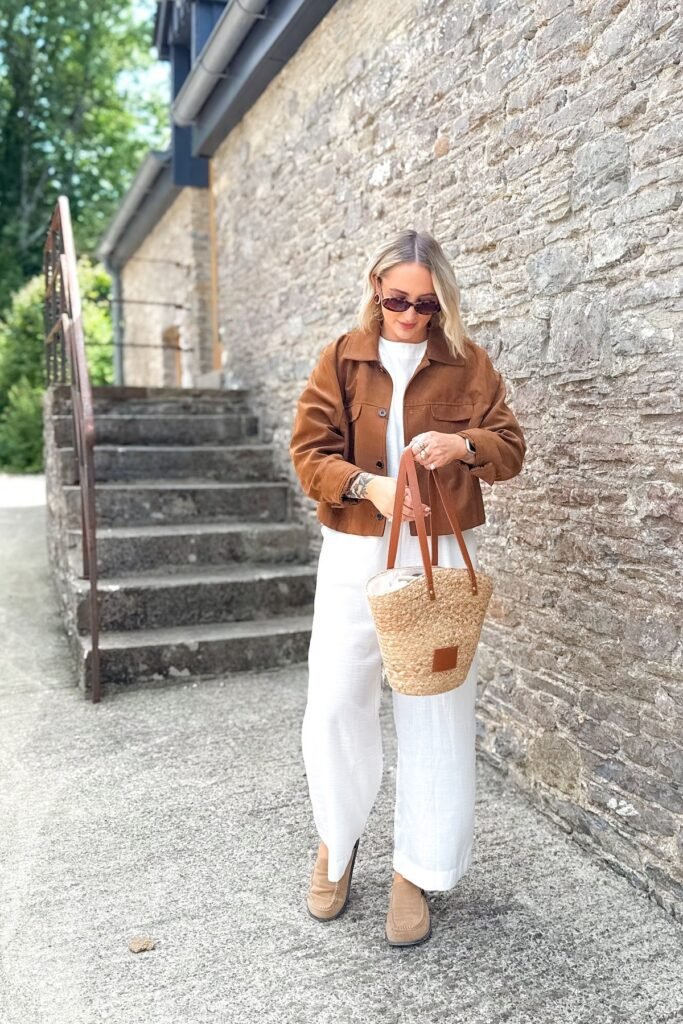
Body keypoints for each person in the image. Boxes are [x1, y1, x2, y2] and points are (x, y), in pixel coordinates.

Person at [288, 229, 526, 947]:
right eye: (397, 299)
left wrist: (465, 446)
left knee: (437, 710)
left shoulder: (468, 364)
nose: (410, 315)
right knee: (334, 701)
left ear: (441, 302)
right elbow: (308, 452)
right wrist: (370, 486)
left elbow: (510, 447)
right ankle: (337, 840)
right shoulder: (341, 357)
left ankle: (415, 868)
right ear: (375, 289)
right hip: (354, 548)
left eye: (426, 304)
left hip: (443, 553)